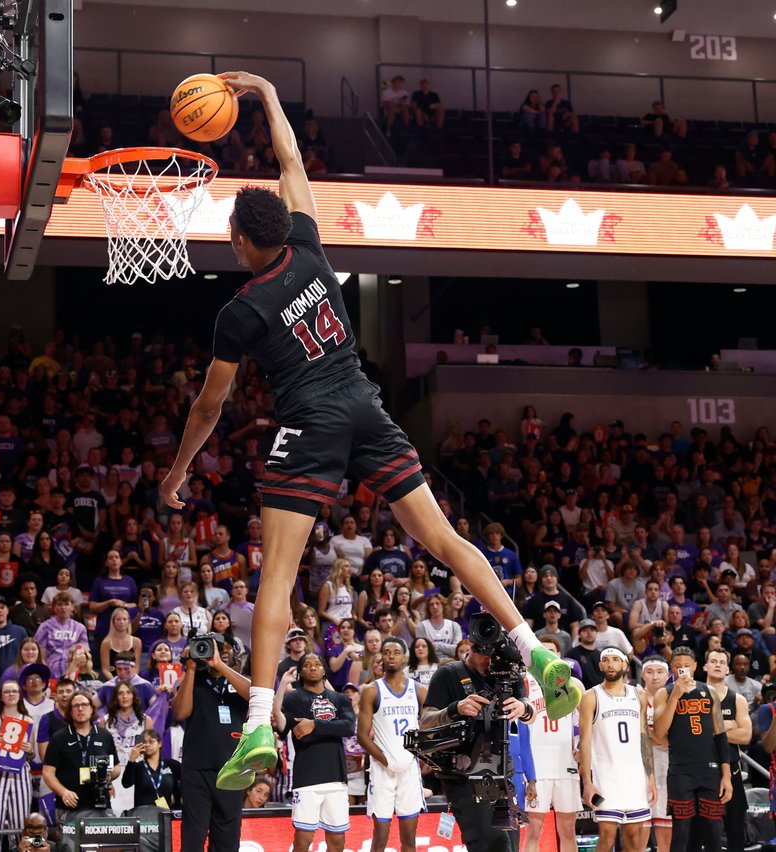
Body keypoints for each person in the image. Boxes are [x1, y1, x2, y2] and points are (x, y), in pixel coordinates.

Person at [160, 70, 577, 790]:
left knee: (279, 576)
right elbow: (291, 162)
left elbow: (208, 407)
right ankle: (533, 646)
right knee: (445, 540)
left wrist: (177, 471)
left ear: (237, 240)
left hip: (312, 423)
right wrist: (263, 91)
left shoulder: (242, 309)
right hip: (367, 406)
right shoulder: (310, 247)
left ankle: (259, 723)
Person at [420, 616, 534, 852]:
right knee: (487, 844)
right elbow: (425, 723)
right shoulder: (448, 674)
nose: (489, 663)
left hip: (500, 771)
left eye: (493, 657)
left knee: (508, 846)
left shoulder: (505, 671)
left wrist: (524, 707)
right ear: (472, 646)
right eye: (484, 657)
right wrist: (455, 708)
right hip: (462, 774)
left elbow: (529, 711)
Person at [171, 635, 250, 852]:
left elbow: (255, 695)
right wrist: (190, 669)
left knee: (227, 836)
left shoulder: (238, 681)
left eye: (224, 647)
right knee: (193, 835)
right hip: (197, 768)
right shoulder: (191, 680)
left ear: (235, 653)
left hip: (232, 769)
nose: (220, 651)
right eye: (213, 647)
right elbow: (180, 712)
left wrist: (220, 665)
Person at [650, 646, 731, 852]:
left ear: (695, 666)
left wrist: (726, 775)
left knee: (714, 831)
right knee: (681, 833)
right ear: (672, 669)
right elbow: (659, 733)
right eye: (677, 667)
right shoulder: (664, 693)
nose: (682, 670)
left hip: (709, 770)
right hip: (680, 771)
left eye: (687, 666)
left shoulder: (710, 691)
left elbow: (720, 734)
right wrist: (675, 697)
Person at [274, 652, 355, 852]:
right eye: (307, 664)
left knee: (337, 842)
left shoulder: (341, 699)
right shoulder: (293, 699)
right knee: (303, 840)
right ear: (300, 671)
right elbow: (300, 733)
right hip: (307, 778)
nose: (313, 667)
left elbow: (348, 728)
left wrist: (315, 725)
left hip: (336, 777)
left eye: (317, 664)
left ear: (324, 670)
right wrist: (327, 727)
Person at [579, 647, 654, 852]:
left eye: (615, 659)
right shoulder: (591, 696)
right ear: (600, 665)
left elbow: (644, 738)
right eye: (606, 660)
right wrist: (587, 782)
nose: (610, 664)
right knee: (607, 838)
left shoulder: (639, 695)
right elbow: (584, 743)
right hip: (606, 777)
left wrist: (651, 778)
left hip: (635, 776)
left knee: (633, 837)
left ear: (625, 665)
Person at [357, 638, 426, 852]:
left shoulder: (420, 690)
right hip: (381, 769)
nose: (391, 656)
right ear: (381, 658)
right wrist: (385, 759)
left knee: (409, 839)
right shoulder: (371, 690)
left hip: (409, 769)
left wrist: (422, 757)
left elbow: (431, 729)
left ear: (405, 658)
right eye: (386, 652)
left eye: (396, 652)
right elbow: (362, 736)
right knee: (380, 836)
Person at [522, 638, 579, 852]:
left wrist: (580, 746)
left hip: (566, 763)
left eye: (552, 651)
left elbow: (582, 722)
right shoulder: (525, 682)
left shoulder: (573, 684)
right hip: (537, 765)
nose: (547, 655)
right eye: (542, 652)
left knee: (567, 830)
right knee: (534, 829)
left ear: (559, 656)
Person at [41, 690, 121, 821]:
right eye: (75, 706)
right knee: (69, 842)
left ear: (91, 709)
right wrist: (63, 792)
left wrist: (106, 777)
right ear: (70, 711)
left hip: (100, 805)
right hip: (69, 806)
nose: (80, 709)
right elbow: (48, 773)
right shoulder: (59, 737)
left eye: (84, 704)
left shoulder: (104, 735)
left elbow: (116, 767)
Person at [702, 647, 750, 852]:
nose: (718, 665)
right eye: (713, 661)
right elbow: (692, 734)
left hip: (732, 770)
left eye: (722, 662)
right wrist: (727, 725)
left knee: (735, 831)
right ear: (704, 666)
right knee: (702, 831)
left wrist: (713, 730)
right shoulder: (694, 695)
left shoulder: (737, 699)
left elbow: (746, 736)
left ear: (728, 669)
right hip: (702, 771)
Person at [0, 679, 36, 852]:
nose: (11, 694)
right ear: (1, 697)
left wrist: (29, 750)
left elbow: (31, 756)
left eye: (14, 691)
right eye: (7, 692)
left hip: (20, 773)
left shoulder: (28, 720)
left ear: (20, 695)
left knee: (21, 820)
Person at [640, 658, 672, 852]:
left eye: (660, 672)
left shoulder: (673, 700)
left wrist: (645, 731)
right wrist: (656, 734)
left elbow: (671, 740)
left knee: (665, 838)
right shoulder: (631, 696)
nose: (655, 676)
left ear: (668, 676)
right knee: (637, 837)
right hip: (638, 767)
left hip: (666, 768)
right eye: (650, 671)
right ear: (643, 674)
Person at [121, 728, 180, 811]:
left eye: (151, 741)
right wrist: (131, 760)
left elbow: (185, 784)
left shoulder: (172, 765)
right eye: (144, 742)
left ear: (160, 743)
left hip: (166, 815)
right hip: (143, 816)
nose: (147, 745)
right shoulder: (138, 766)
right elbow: (126, 784)